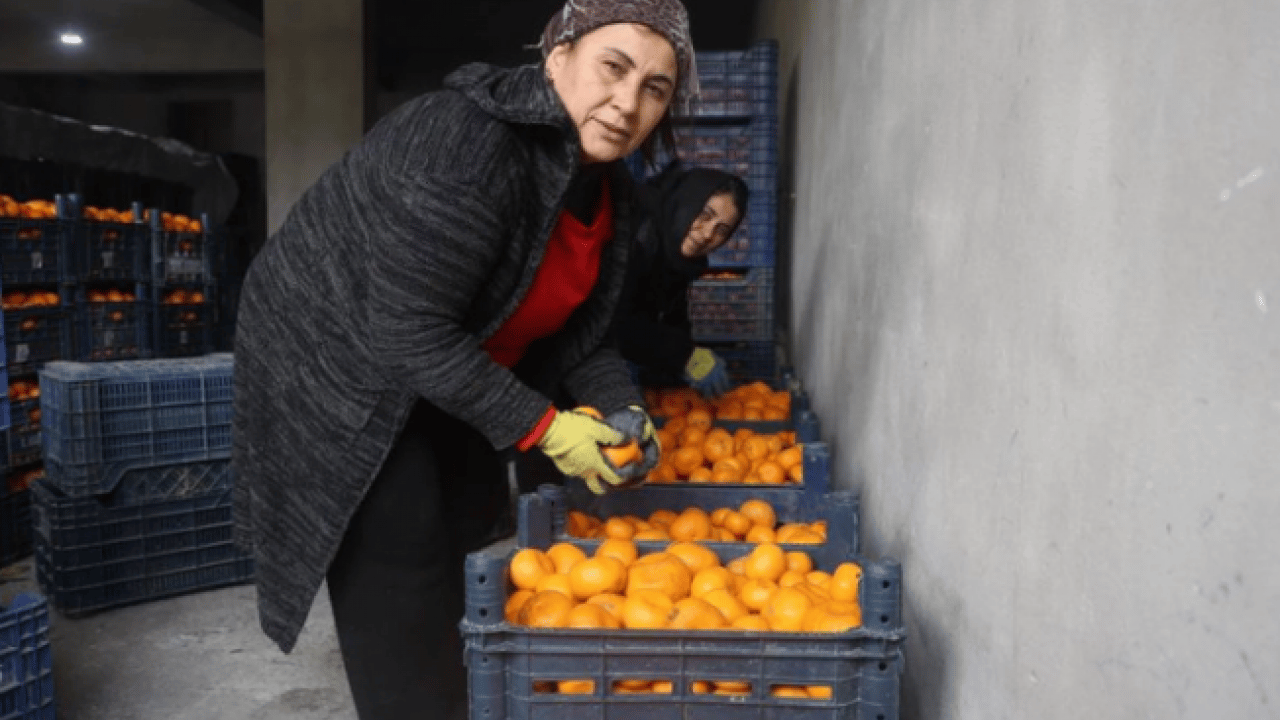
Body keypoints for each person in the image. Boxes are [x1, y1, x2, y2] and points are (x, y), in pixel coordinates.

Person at [230, 2, 698, 717]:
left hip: (451, 357)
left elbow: (587, 333)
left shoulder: (610, 190)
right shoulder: (468, 139)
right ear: (558, 56)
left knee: (467, 527)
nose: (628, 102)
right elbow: (406, 328)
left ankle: (456, 690)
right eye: (614, 67)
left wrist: (620, 406)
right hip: (342, 359)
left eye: (655, 88)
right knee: (402, 552)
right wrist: (545, 427)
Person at [613, 162, 749, 397]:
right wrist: (684, 355)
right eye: (705, 215)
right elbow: (613, 323)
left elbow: (673, 312)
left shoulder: (676, 256)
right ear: (687, 201)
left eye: (721, 230)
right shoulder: (637, 234)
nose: (707, 234)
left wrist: (686, 363)